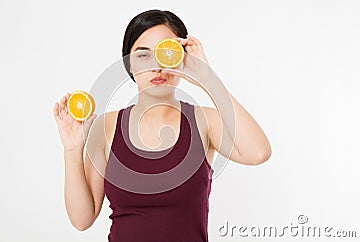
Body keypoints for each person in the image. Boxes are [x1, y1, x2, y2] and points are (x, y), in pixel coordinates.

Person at [53, 9, 272, 241]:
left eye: (165, 52)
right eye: (142, 55)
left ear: (181, 57)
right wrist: (72, 150)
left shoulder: (204, 121)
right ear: (129, 64)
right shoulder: (106, 127)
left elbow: (258, 152)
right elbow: (82, 219)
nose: (156, 66)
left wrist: (207, 78)